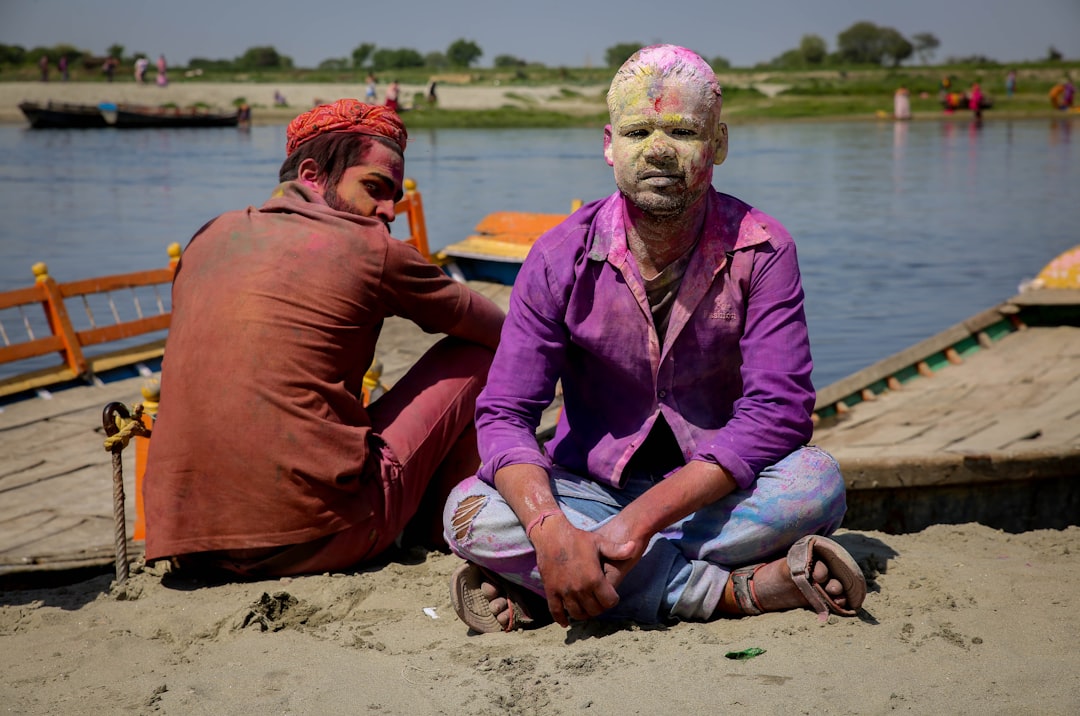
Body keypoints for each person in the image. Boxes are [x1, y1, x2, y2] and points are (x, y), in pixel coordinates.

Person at [442, 45, 866, 634]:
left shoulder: (763, 250)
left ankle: (557, 588)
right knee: (468, 511)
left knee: (816, 485)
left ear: (718, 143)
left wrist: (637, 524)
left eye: (683, 131)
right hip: (585, 493)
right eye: (639, 131)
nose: (659, 150)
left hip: (712, 501)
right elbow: (506, 414)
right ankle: (734, 593)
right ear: (609, 144)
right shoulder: (558, 255)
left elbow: (780, 412)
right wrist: (550, 529)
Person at [143, 99, 505, 578]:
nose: (388, 211)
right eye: (374, 188)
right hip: (317, 539)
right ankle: (440, 529)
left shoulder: (209, 236)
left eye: (393, 196)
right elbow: (505, 332)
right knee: (481, 354)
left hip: (185, 548)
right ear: (312, 174)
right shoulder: (374, 248)